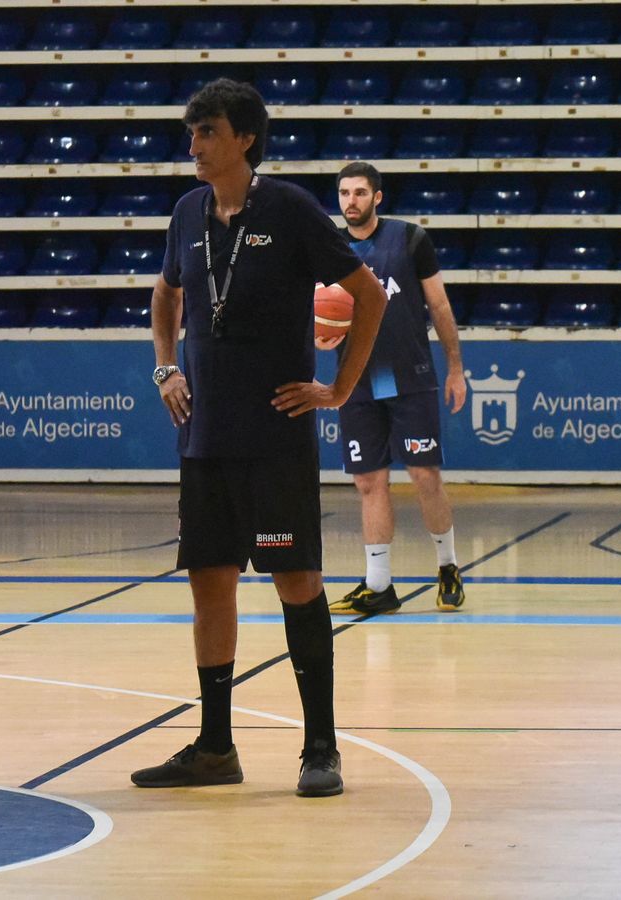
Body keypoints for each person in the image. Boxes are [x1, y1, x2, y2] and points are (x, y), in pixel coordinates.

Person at [134, 79, 389, 797]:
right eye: (191, 133)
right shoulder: (186, 213)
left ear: (245, 138)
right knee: (209, 584)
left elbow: (368, 295)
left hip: (276, 434)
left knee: (297, 582)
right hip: (204, 434)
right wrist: (165, 367)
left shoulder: (290, 208)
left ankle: (320, 749)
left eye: (207, 132)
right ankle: (216, 748)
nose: (194, 145)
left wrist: (339, 389)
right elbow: (166, 293)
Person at [323, 162, 469, 616]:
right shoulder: (329, 246)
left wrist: (456, 368)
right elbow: (316, 311)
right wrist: (318, 334)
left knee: (424, 475)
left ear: (377, 197)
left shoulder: (409, 239)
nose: (351, 201)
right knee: (368, 481)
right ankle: (379, 584)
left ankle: (447, 566)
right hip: (357, 380)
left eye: (360, 192)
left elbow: (439, 305)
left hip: (409, 376)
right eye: (344, 193)